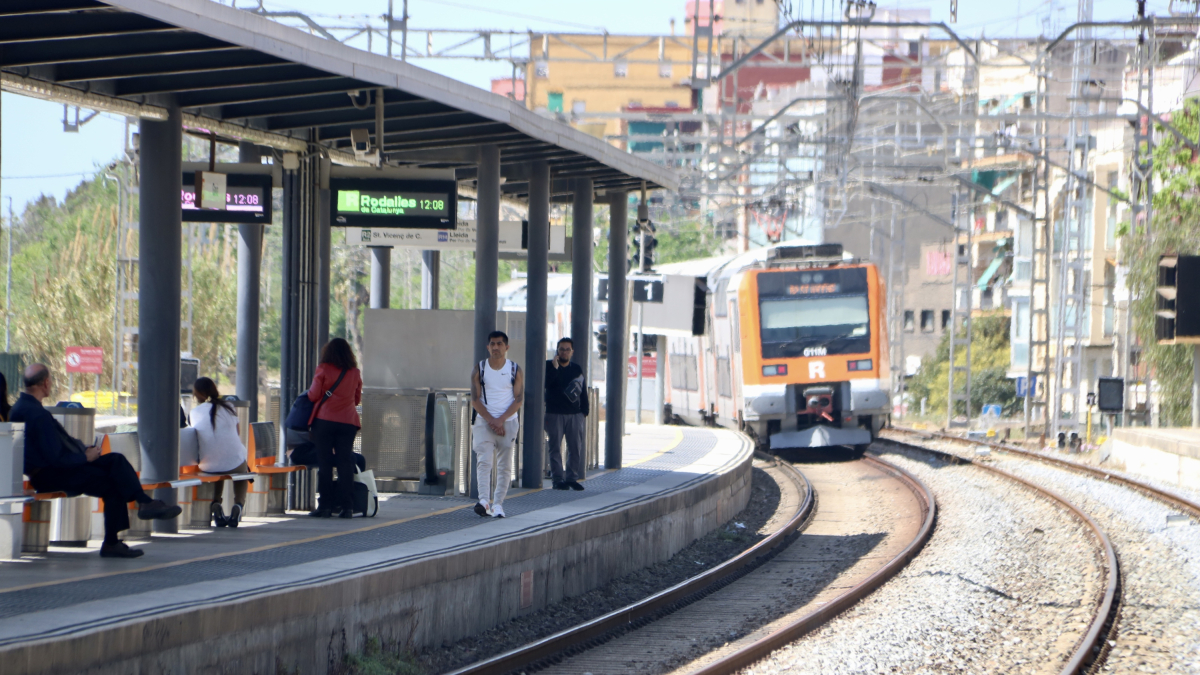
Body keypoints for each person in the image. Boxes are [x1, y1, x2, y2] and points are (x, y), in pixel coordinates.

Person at [12, 364, 180, 558]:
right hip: (52, 475)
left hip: (52, 472)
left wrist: (85, 452)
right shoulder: (36, 414)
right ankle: (136, 512)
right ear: (46, 382)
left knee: (114, 468)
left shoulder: (23, 408)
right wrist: (85, 457)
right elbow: (55, 457)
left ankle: (123, 529)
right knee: (115, 468)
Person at [469, 331, 524, 519]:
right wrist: (491, 420)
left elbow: (518, 400)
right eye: (492, 344)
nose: (495, 347)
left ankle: (498, 504)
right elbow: (475, 400)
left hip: (508, 423)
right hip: (484, 422)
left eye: (500, 344)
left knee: (504, 466)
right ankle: (484, 501)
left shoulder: (515, 369)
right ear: (487, 346)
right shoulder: (480, 369)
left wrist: (500, 420)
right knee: (483, 461)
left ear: (506, 347)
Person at [306, 338, 363, 519]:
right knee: (345, 463)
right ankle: (347, 507)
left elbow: (313, 395)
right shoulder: (355, 372)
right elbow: (356, 400)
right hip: (348, 422)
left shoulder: (323, 369)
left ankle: (325, 507)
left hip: (325, 421)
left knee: (325, 464)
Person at [188, 377, 249, 528]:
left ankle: (216, 502)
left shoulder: (194, 412)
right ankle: (239, 504)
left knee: (216, 466)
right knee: (241, 468)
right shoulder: (229, 406)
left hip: (208, 465)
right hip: (234, 462)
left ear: (197, 394)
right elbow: (237, 433)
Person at [544, 337, 589, 491]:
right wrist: (555, 368)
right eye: (561, 349)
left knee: (575, 447)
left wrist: (584, 412)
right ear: (557, 350)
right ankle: (557, 479)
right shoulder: (548, 366)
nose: (564, 352)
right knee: (554, 447)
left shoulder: (576, 369)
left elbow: (583, 390)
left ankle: (571, 478)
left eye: (567, 349)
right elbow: (547, 384)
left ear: (572, 352)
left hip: (575, 415)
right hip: (554, 413)